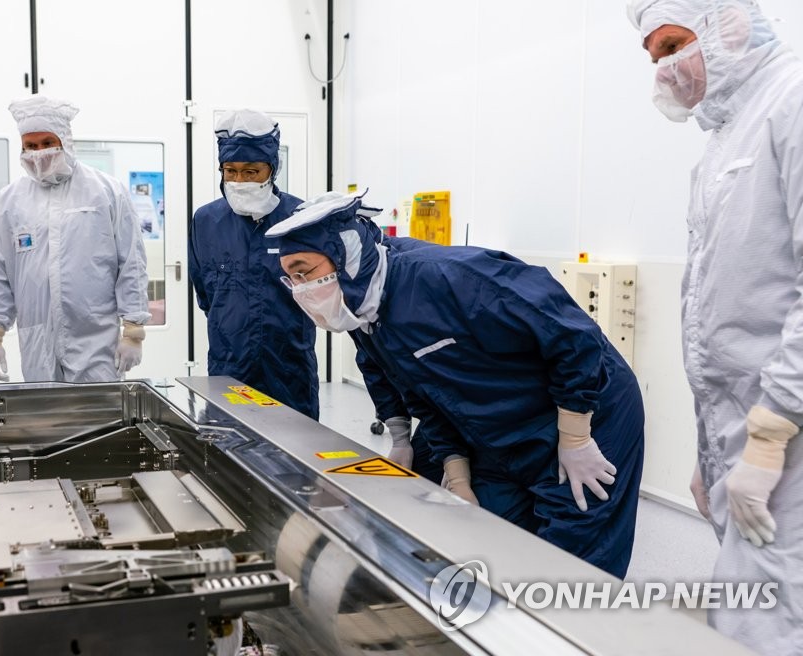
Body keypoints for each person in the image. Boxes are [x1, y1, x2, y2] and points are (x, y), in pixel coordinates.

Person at [266, 193, 645, 578]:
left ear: (344, 256)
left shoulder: (449, 277)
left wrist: (576, 436)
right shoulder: (365, 315)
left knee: (571, 562)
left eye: (305, 272)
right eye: (291, 278)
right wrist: (457, 472)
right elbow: (428, 397)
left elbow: (573, 337)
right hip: (498, 425)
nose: (299, 289)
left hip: (587, 406)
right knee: (484, 542)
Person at [628, 1, 803, 651]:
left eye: (673, 45)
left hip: (787, 438)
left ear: (727, 24)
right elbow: (718, 316)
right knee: (745, 608)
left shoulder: (792, 105)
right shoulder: (723, 141)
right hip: (740, 436)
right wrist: (709, 455)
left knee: (772, 621)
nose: (664, 70)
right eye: (652, 57)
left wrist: (768, 437)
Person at [0, 95, 149, 383]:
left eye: (47, 143)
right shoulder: (11, 200)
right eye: (30, 146)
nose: (38, 153)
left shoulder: (105, 191)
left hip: (95, 339)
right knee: (46, 418)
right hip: (36, 339)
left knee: (100, 417)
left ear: (66, 141)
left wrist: (133, 330)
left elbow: (131, 262)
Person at [189, 109, 319, 418]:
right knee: (229, 450)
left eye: (251, 172)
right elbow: (205, 294)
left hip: (289, 365)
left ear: (272, 169)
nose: (239, 181)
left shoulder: (300, 218)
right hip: (229, 363)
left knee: (294, 449)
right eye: (230, 171)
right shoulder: (206, 221)